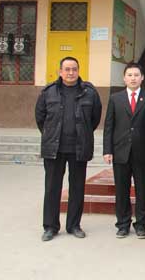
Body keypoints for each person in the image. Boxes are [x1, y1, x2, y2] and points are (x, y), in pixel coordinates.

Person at [36, 56, 102, 242]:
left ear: (79, 71)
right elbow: (40, 118)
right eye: (67, 69)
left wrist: (83, 133)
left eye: (74, 69)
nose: (71, 73)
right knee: (52, 188)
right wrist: (51, 134)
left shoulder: (89, 92)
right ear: (60, 71)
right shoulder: (49, 92)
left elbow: (94, 118)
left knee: (77, 188)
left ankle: (74, 225)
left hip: (79, 147)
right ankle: (50, 226)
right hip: (54, 148)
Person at [103, 62, 145, 239]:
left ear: (142, 78)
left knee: (142, 190)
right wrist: (107, 150)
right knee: (121, 190)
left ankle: (141, 224)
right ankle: (123, 224)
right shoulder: (115, 98)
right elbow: (109, 126)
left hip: (142, 152)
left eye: (136, 75)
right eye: (130, 75)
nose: (133, 78)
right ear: (124, 78)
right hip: (120, 151)